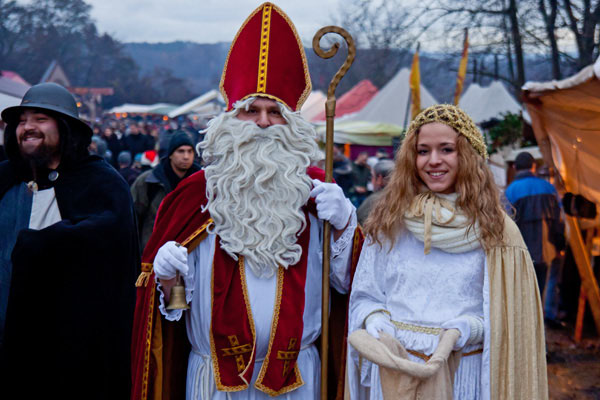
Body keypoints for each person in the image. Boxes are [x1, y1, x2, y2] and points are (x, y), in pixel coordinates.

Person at [131, 4, 363, 400]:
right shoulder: (192, 197)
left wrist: (345, 225)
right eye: (250, 110)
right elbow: (173, 308)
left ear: (292, 123)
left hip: (300, 376)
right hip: (212, 380)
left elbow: (347, 286)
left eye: (275, 112)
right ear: (229, 120)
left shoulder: (319, 194)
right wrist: (167, 277)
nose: (261, 123)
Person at [347, 104, 548, 399]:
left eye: (446, 149)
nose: (433, 161)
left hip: (463, 375)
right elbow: (366, 295)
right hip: (395, 373)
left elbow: (510, 319)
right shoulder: (390, 220)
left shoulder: (497, 230)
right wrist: (376, 321)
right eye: (423, 151)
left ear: (467, 155)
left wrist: (468, 329)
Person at [0, 82, 138, 398]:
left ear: (64, 127)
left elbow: (108, 244)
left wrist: (41, 245)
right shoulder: (5, 178)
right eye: (22, 120)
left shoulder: (100, 183)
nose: (28, 127)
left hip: (72, 352)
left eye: (40, 119)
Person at [505, 151, 565, 324]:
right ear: (534, 166)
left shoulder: (510, 191)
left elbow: (507, 224)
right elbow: (559, 219)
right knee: (550, 281)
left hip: (523, 252)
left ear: (515, 167)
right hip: (549, 248)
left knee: (526, 291)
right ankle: (549, 315)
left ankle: (528, 323)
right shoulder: (549, 188)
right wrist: (560, 244)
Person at [131, 131, 201, 251]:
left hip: (191, 252)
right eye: (181, 151)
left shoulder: (201, 183)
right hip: (154, 252)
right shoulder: (148, 182)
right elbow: (132, 220)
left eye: (190, 151)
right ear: (170, 154)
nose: (186, 156)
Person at [356, 158, 394, 225]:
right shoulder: (404, 197)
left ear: (379, 178)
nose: (371, 180)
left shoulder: (374, 200)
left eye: (372, 176)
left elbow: (358, 222)